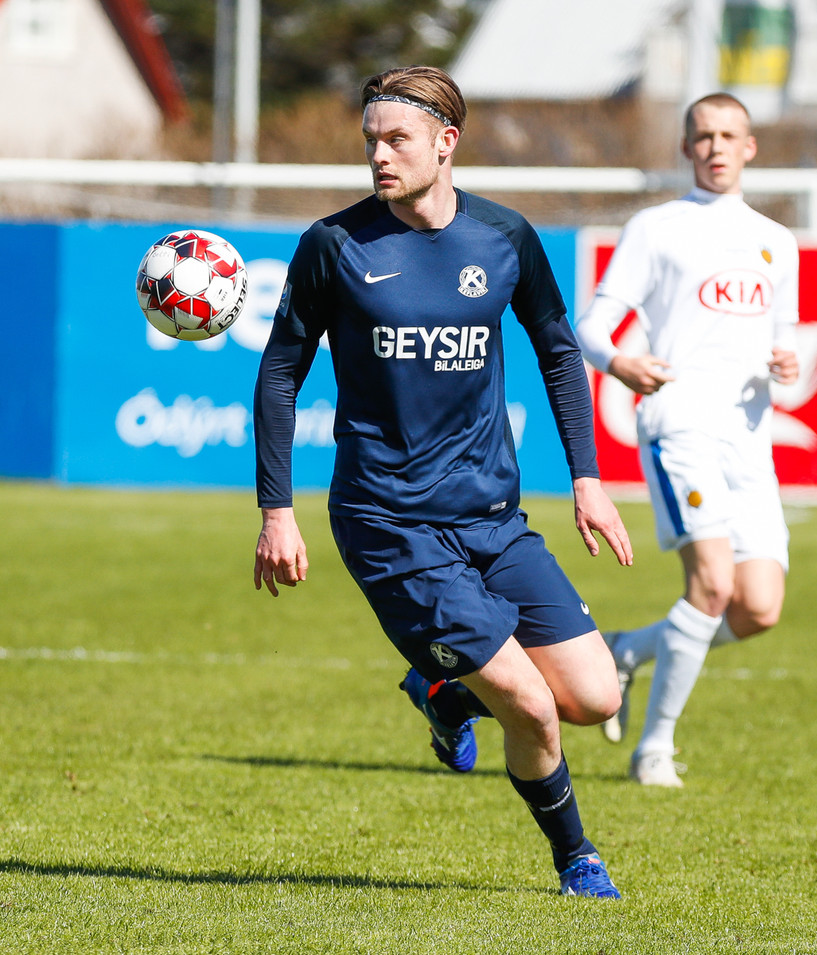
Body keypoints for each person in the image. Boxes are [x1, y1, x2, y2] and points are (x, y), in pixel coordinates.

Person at [252, 65, 633, 898]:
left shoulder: (504, 237)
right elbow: (280, 374)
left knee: (596, 697)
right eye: (371, 141)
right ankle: (577, 857)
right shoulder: (334, 245)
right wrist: (276, 510)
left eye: (397, 140)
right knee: (531, 705)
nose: (379, 156)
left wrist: (588, 478)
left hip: (492, 517)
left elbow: (558, 350)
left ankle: (444, 689)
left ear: (446, 143)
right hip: (390, 524)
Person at [576, 92, 800, 788]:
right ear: (685, 147)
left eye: (729, 135)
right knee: (712, 584)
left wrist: (787, 361)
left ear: (750, 147)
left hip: (748, 439)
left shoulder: (777, 241)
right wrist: (619, 362)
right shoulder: (657, 228)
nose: (715, 147)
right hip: (680, 426)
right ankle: (655, 749)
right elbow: (590, 326)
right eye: (703, 135)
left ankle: (625, 648)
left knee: (758, 606)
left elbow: (785, 338)